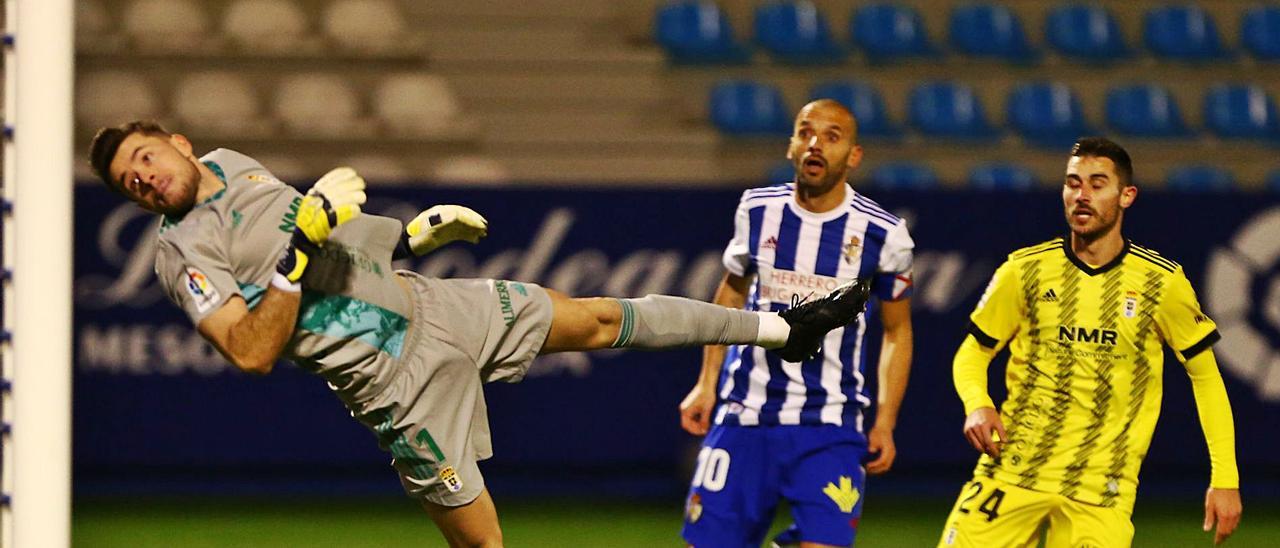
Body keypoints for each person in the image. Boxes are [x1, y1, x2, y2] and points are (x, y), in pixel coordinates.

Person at [88, 120, 874, 547]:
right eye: (133, 182)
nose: (147, 177)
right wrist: (297, 251)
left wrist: (410, 238)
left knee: (602, 316)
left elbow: (335, 241)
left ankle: (782, 327)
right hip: (395, 386)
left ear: (180, 144)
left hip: (435, 305)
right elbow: (252, 349)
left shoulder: (232, 162)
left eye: (148, 158)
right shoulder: (180, 255)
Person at [939, 137, 1243, 547]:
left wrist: (1225, 478)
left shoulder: (1160, 282)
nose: (1081, 195)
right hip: (1013, 468)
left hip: (1102, 488)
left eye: (1097, 184)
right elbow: (973, 352)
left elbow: (1205, 378)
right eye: (1073, 183)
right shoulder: (1024, 270)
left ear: (1126, 196)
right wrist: (977, 403)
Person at [678, 99, 915, 547]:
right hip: (746, 413)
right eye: (805, 132)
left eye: (832, 136)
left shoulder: (884, 233)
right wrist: (706, 382)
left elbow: (897, 331)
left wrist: (884, 420)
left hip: (830, 423)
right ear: (790, 146)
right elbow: (729, 294)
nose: (815, 145)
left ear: (854, 155)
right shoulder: (757, 210)